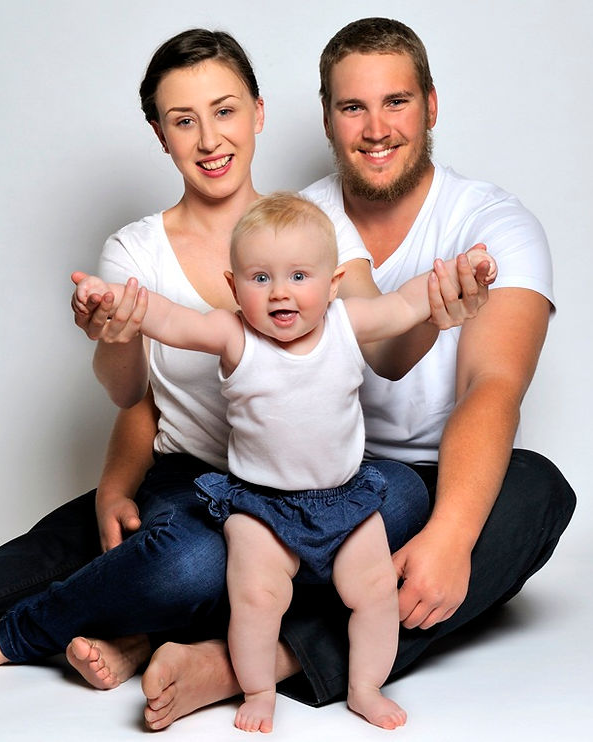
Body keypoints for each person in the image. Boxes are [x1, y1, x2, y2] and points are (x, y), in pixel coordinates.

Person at [0, 28, 482, 701]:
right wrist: (114, 344)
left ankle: (141, 637)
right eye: (184, 120)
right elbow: (129, 395)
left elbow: (373, 334)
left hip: (313, 488)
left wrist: (435, 305)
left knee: (409, 502)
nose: (210, 138)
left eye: (223, 111)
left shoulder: (311, 227)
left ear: (257, 113)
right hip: (199, 489)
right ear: (160, 134)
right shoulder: (136, 250)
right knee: (178, 560)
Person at [135, 18, 576, 730]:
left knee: (538, 491)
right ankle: (128, 626)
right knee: (192, 529)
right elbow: (359, 350)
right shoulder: (303, 221)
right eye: (352, 107)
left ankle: (256, 664)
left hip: (435, 478)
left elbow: (492, 386)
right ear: (326, 118)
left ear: (431, 106)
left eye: (395, 102)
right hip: (320, 471)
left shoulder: (494, 221)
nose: (375, 128)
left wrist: (453, 536)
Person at [72, 193, 495, 732]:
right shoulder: (233, 334)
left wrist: (464, 271)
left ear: (334, 283)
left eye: (299, 276)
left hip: (343, 500)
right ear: (233, 288)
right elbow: (170, 318)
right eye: (260, 278)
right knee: (255, 599)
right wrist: (110, 296)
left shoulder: (348, 321)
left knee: (373, 594)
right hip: (261, 505)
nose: (280, 293)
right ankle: (257, 690)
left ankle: (364, 687)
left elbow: (410, 303)